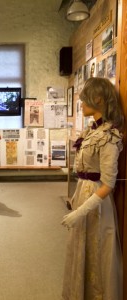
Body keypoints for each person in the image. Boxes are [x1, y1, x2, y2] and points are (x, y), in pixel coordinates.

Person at [61, 77, 124, 300]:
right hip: (83, 193)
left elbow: (109, 183)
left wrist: (80, 211)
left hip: (96, 204)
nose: (81, 103)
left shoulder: (109, 136)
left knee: (96, 254)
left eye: (85, 99)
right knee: (81, 249)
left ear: (98, 99)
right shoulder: (91, 132)